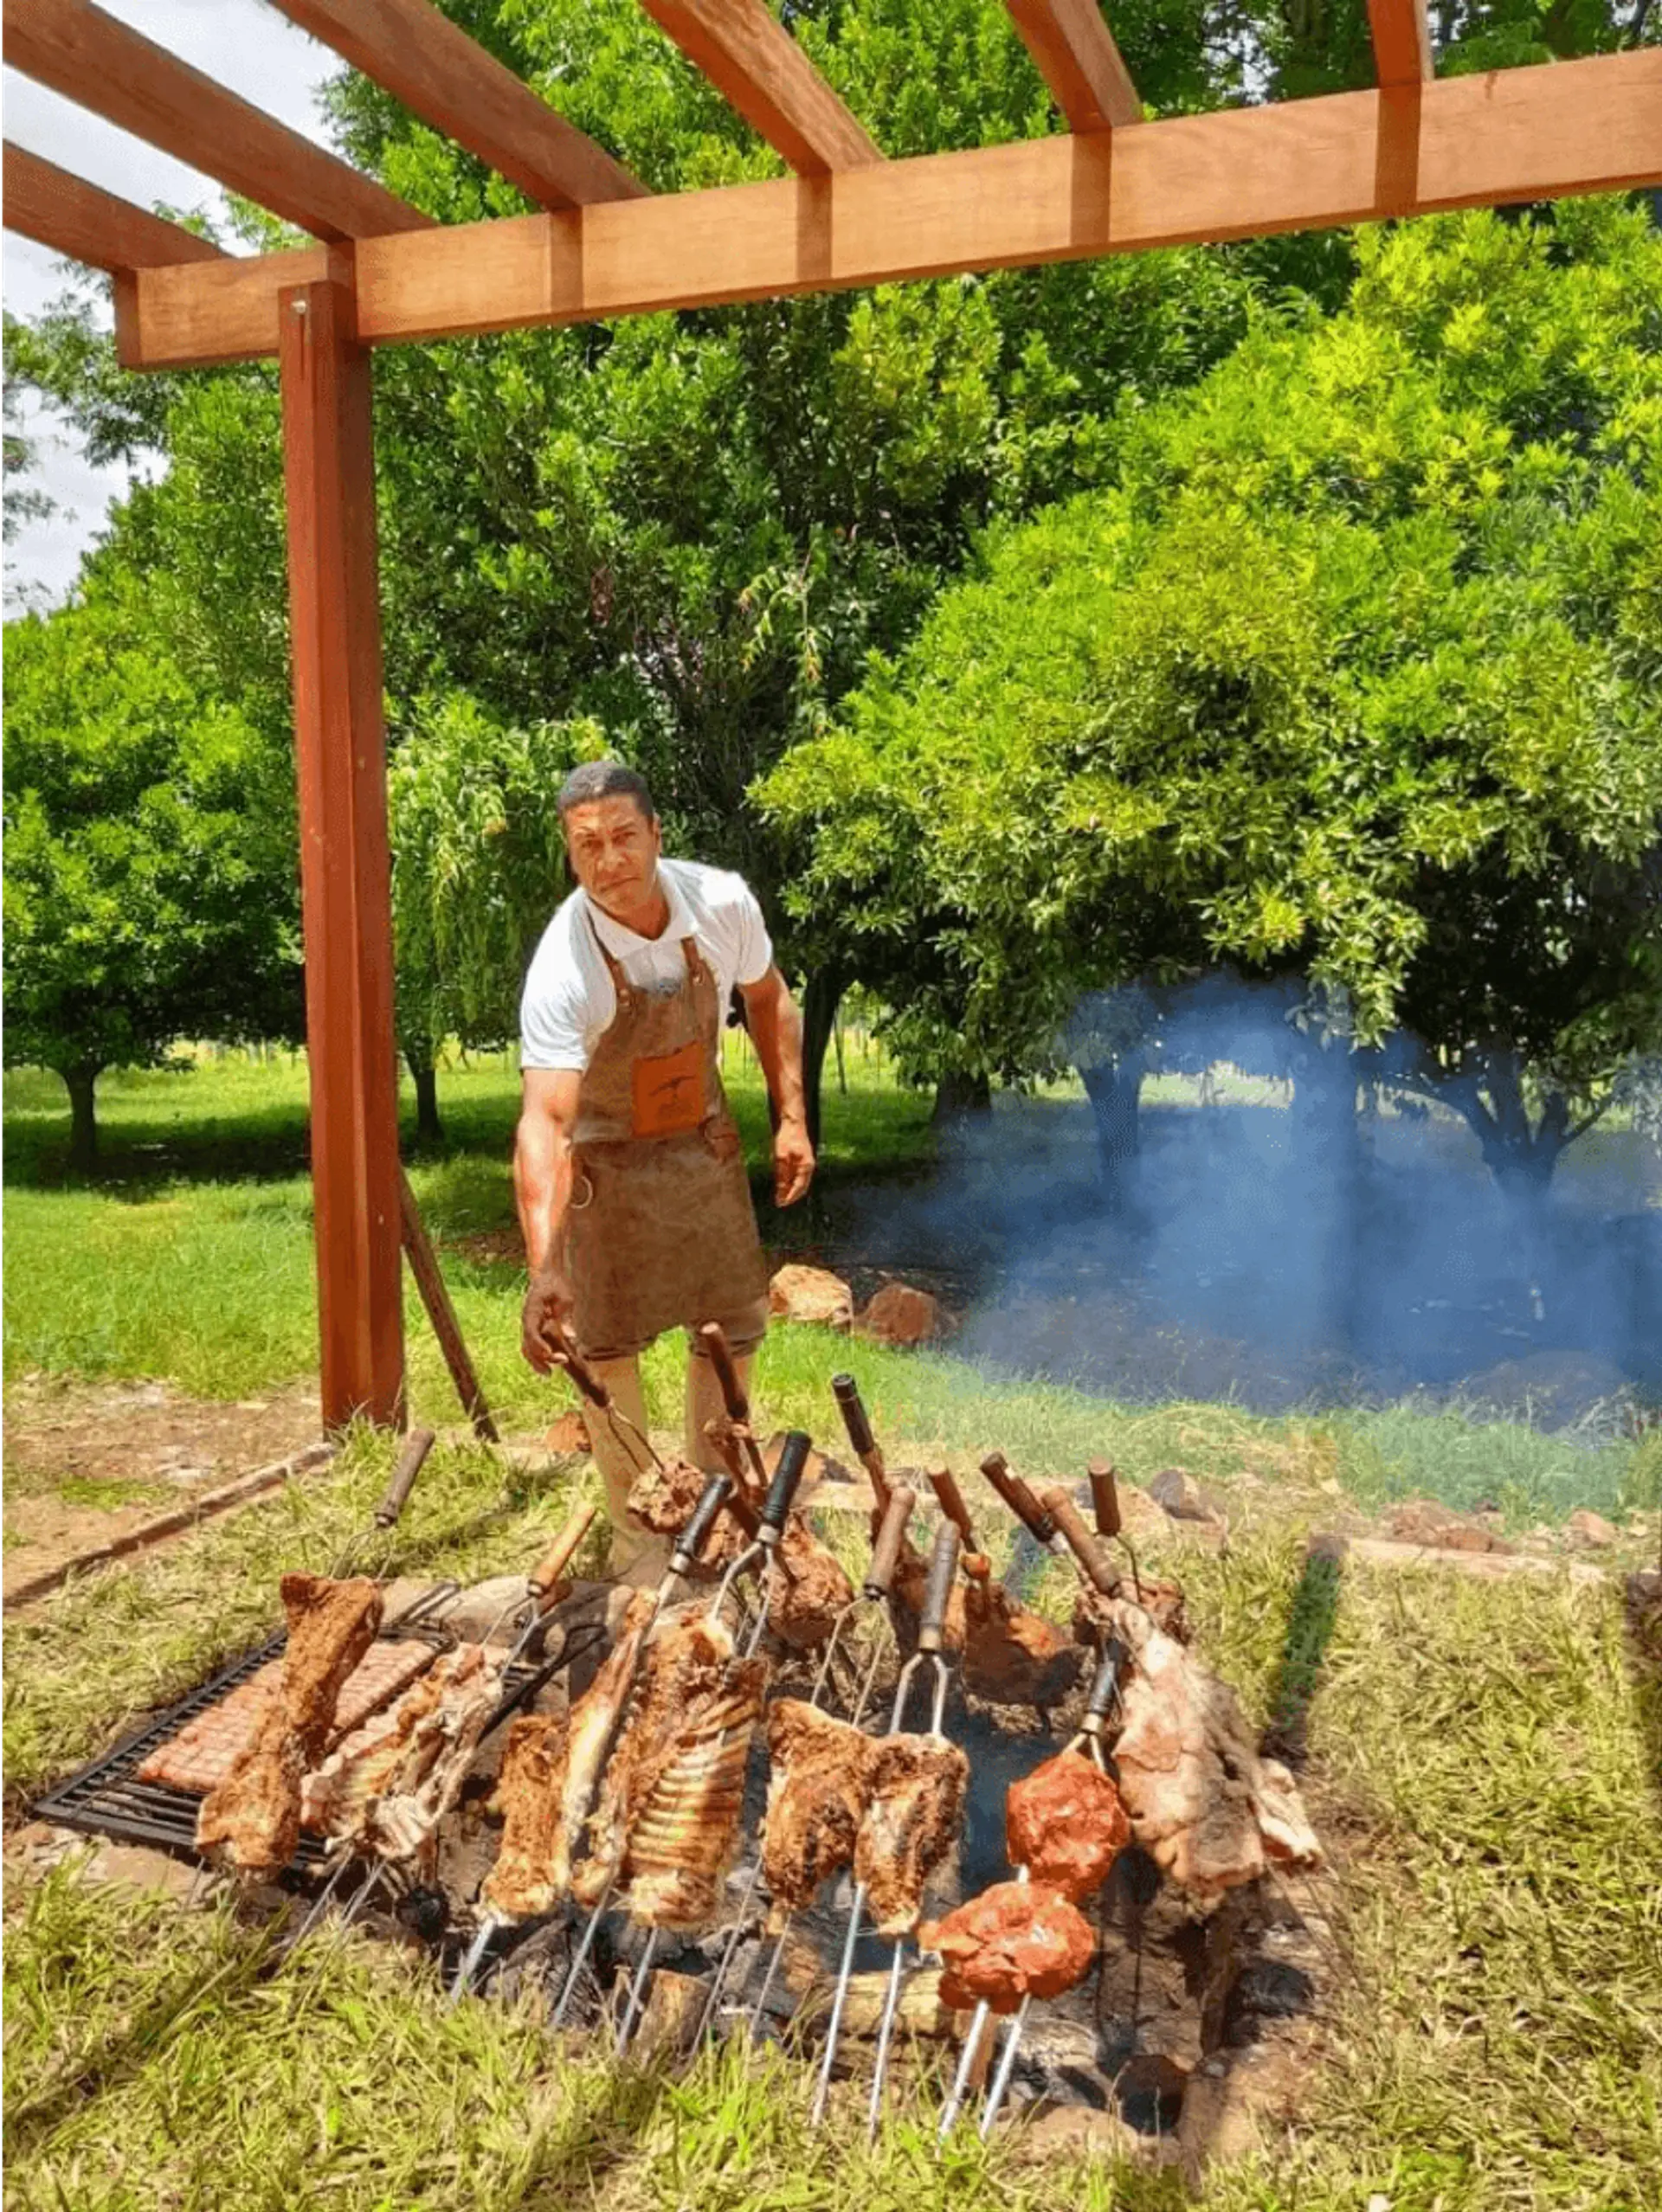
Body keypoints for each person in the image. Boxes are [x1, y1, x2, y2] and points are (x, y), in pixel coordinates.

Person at [514, 760, 815, 1577]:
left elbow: (769, 996)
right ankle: (641, 1538)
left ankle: (717, 1515)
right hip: (604, 1168)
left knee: (730, 1325)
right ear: (570, 856)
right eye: (586, 847)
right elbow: (545, 1120)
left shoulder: (721, 902)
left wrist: (791, 1117)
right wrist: (545, 1267)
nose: (608, 861)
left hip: (702, 1146)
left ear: (655, 833)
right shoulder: (563, 968)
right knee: (603, 1346)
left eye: (621, 837)